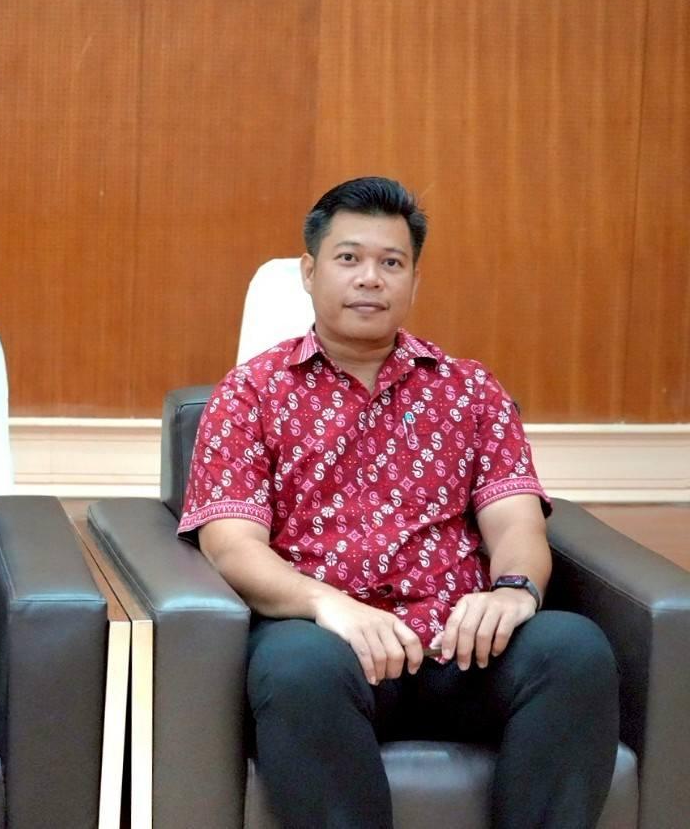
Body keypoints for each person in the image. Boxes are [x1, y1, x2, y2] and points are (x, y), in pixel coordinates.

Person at [179, 177, 619, 828]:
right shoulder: (250, 394)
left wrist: (513, 590)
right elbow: (231, 546)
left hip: (461, 648)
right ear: (310, 272)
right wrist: (329, 605)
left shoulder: (470, 390)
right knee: (296, 667)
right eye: (348, 258)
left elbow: (517, 521)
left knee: (572, 648)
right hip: (330, 646)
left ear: (414, 281)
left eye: (391, 262)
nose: (370, 278)